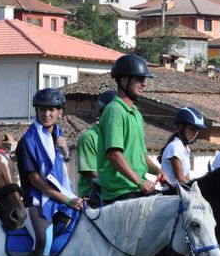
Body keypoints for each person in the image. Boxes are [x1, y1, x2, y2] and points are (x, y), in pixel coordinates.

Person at [15, 88, 83, 256]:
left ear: (60, 113)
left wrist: (65, 151)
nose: (47, 114)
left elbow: (61, 171)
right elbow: (36, 180)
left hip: (61, 199)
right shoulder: (28, 141)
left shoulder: (58, 135)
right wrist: (67, 199)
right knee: (44, 240)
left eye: (52, 110)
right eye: (43, 109)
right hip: (36, 202)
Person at [97, 54, 168, 203]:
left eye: (144, 80)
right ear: (123, 80)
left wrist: (158, 171)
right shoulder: (115, 110)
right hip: (120, 191)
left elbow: (141, 156)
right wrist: (140, 182)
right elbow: (114, 155)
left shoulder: (136, 114)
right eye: (139, 79)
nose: (144, 84)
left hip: (134, 188)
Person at [77, 89, 116, 196]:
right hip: (94, 196)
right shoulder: (88, 137)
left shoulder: (118, 136)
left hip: (115, 191)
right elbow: (91, 173)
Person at [161, 107, 206, 188]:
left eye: (197, 130)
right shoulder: (175, 147)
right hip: (171, 194)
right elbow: (181, 180)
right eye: (192, 129)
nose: (195, 133)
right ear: (181, 127)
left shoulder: (185, 148)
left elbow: (187, 178)